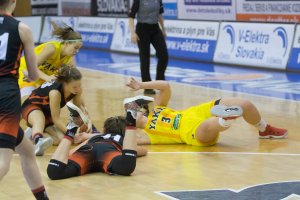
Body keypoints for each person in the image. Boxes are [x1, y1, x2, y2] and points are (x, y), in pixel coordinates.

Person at [123, 78, 288, 146]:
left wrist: (141, 86)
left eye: (133, 109)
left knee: (245, 104)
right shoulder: (146, 135)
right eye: (130, 114)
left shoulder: (158, 107)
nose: (132, 112)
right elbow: (126, 142)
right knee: (209, 126)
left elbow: (165, 86)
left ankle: (263, 129)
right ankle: (225, 119)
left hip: (196, 112)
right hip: (191, 132)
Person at [0, 0, 49, 199]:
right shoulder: (22, 28)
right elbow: (33, 72)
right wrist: (32, 76)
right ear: (14, 2)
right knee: (3, 159)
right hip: (5, 94)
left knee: (26, 150)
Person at [21, 65, 93, 156]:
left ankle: (33, 133)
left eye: (79, 85)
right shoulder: (55, 93)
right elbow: (56, 119)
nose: (78, 89)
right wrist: (71, 134)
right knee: (40, 120)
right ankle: (38, 140)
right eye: (75, 87)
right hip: (32, 106)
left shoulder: (77, 90)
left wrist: (87, 122)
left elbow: (78, 109)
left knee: (60, 139)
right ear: (65, 84)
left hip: (47, 113)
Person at [47, 115, 147, 180]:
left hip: (89, 149)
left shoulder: (96, 137)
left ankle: (71, 130)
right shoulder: (121, 139)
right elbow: (141, 151)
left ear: (104, 130)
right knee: (126, 167)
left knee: (55, 171)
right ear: (125, 133)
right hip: (109, 151)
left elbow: (70, 153)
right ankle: (131, 120)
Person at [18, 21, 83, 102]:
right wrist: (47, 77)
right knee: (27, 102)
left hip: (41, 77)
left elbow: (75, 82)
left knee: (45, 102)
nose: (77, 51)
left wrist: (80, 104)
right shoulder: (52, 48)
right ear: (66, 43)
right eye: (75, 47)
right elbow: (32, 67)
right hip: (26, 70)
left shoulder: (69, 60)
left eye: (79, 48)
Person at [129, 0, 168, 95]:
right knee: (145, 58)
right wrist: (132, 33)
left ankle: (160, 81)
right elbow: (131, 17)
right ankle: (148, 87)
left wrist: (163, 29)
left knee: (164, 55)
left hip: (155, 28)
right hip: (142, 29)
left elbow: (159, 15)